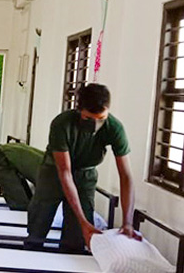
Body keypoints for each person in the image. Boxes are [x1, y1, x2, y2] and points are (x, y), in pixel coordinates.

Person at [26, 84, 138, 252]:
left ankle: (67, 268)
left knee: (78, 237)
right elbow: (64, 172)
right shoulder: (62, 124)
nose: (94, 124)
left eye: (100, 119)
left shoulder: (115, 128)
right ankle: (30, 257)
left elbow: (126, 176)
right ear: (79, 110)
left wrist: (127, 223)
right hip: (54, 173)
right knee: (39, 222)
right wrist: (82, 220)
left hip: (85, 175)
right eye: (88, 118)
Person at [0, 143, 45, 210]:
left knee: (26, 201)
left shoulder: (49, 160)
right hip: (2, 159)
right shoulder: (46, 172)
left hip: (6, 152)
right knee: (20, 204)